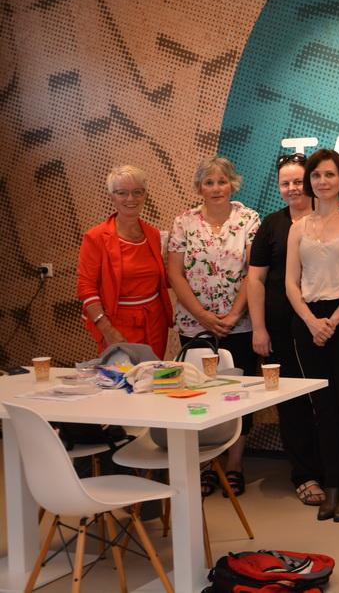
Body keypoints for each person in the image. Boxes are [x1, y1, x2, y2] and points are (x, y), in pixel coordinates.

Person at [285, 149, 339, 523]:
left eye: (330, 174)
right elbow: (291, 283)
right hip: (307, 322)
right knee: (322, 409)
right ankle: (331, 484)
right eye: (317, 175)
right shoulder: (298, 227)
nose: (323, 181)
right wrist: (311, 322)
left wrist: (332, 322)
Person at [168, 156, 260, 497]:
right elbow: (175, 274)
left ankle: (234, 464)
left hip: (241, 324)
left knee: (239, 395)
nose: (216, 188)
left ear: (232, 184)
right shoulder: (184, 222)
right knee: (201, 395)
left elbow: (253, 272)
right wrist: (203, 316)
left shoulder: (249, 219)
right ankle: (208, 465)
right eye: (209, 182)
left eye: (222, 181)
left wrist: (234, 314)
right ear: (199, 188)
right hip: (195, 325)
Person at [248, 153, 324, 507]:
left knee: (326, 402)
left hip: (324, 327)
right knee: (292, 404)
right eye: (285, 183)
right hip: (280, 329)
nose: (293, 188)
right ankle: (304, 475)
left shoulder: (333, 217)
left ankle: (333, 470)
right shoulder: (272, 225)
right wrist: (258, 329)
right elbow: (255, 280)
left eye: (298, 181)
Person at [77, 165, 173, 359]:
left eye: (137, 192)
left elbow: (162, 279)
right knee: (121, 376)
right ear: (112, 197)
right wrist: (107, 330)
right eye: (122, 193)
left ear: (145, 195)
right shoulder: (95, 237)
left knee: (153, 375)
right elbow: (86, 288)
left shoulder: (153, 234)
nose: (131, 199)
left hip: (155, 322)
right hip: (117, 325)